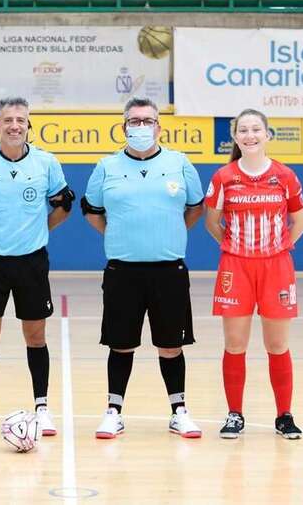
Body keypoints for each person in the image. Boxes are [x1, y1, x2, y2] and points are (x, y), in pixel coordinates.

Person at [81, 97, 204, 439]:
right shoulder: (106, 166)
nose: (141, 127)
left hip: (169, 270)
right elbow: (92, 211)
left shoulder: (180, 163)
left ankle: (179, 412)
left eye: (147, 121)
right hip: (123, 271)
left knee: (171, 345)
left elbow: (195, 208)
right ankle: (113, 412)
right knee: (120, 344)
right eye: (134, 121)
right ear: (124, 128)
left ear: (159, 127)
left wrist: (170, 231)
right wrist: (119, 233)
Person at [0, 97, 75, 437]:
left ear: (28, 125)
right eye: (8, 120)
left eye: (20, 120)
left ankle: (42, 407)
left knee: (35, 336)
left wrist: (40, 230)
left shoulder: (46, 163)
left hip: (31, 261)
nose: (14, 125)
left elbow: (64, 206)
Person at [203, 108, 303, 440]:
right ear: (235, 137)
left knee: (277, 344)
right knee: (235, 344)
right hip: (236, 267)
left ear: (267, 135)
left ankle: (284, 416)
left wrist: (277, 248)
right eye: (243, 130)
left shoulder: (285, 176)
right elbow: (212, 222)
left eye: (256, 130)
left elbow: (300, 221)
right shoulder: (223, 177)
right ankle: (235, 414)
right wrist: (236, 248)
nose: (250, 135)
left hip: (276, 267)